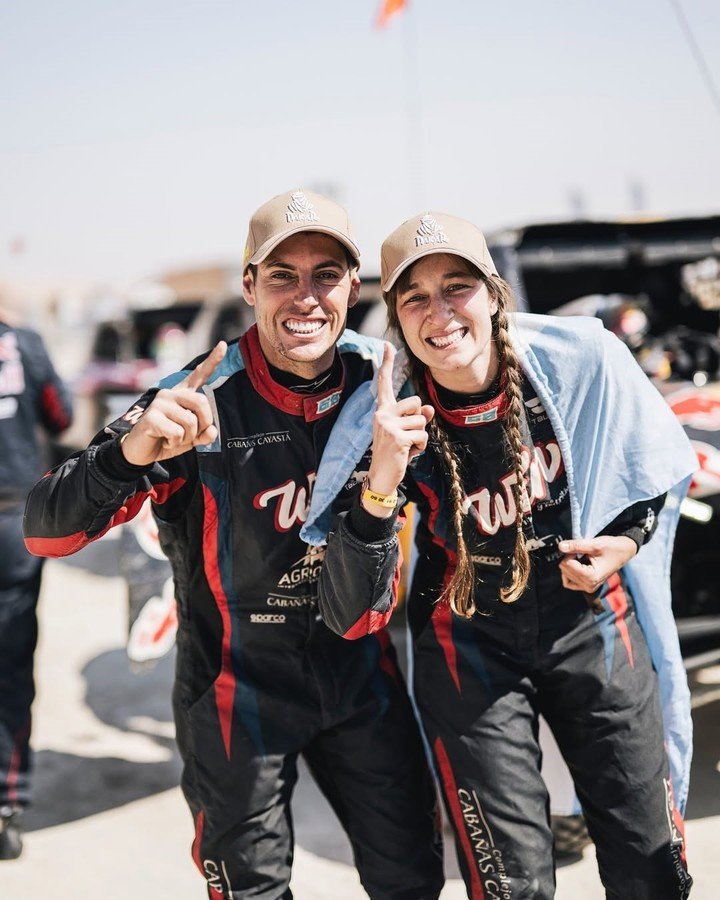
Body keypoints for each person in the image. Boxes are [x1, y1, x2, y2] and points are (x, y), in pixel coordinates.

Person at [23, 191, 443, 899]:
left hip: (361, 681)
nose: (305, 298)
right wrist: (129, 453)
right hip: (235, 691)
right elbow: (46, 530)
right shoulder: (191, 399)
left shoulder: (388, 384)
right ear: (248, 285)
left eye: (326, 275)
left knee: (412, 881)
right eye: (282, 275)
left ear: (353, 286)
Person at [303, 212, 697, 899]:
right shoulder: (387, 414)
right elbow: (348, 600)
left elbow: (649, 468)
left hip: (591, 623)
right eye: (415, 297)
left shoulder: (574, 363)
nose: (440, 312)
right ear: (396, 316)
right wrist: (382, 481)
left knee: (651, 870)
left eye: (456, 287)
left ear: (493, 294)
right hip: (469, 646)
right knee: (512, 887)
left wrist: (625, 543)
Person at [0, 300, 72, 859]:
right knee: (9, 665)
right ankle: (6, 804)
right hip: (10, 523)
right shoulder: (23, 342)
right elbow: (61, 416)